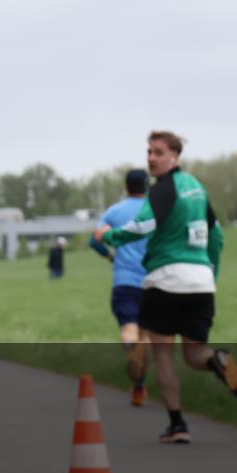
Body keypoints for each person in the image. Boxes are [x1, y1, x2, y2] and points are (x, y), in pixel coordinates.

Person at [95, 131, 237, 444]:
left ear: (175, 157)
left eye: (159, 152)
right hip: (200, 281)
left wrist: (109, 236)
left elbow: (144, 226)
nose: (151, 158)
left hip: (165, 279)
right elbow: (216, 236)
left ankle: (177, 424)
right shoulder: (197, 188)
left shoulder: (163, 188)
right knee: (195, 354)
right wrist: (211, 273)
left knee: (163, 353)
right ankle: (220, 361)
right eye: (149, 152)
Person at [89, 169, 150, 406]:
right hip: (153, 280)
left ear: (126, 187)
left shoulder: (114, 211)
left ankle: (130, 346)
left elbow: (95, 240)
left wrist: (109, 256)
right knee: (146, 336)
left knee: (129, 327)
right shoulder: (154, 209)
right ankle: (139, 386)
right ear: (147, 186)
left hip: (124, 280)